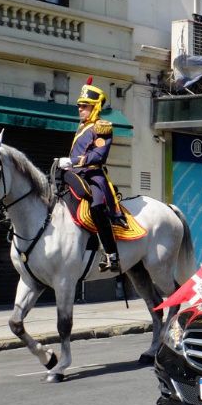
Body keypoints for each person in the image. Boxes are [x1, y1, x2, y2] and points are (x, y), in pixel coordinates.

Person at [59, 77, 121, 271]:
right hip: (75, 175)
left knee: (96, 207)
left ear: (94, 107)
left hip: (93, 176)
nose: (80, 109)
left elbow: (98, 155)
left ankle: (111, 254)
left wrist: (73, 161)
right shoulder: (82, 127)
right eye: (79, 106)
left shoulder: (102, 127)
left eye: (84, 106)